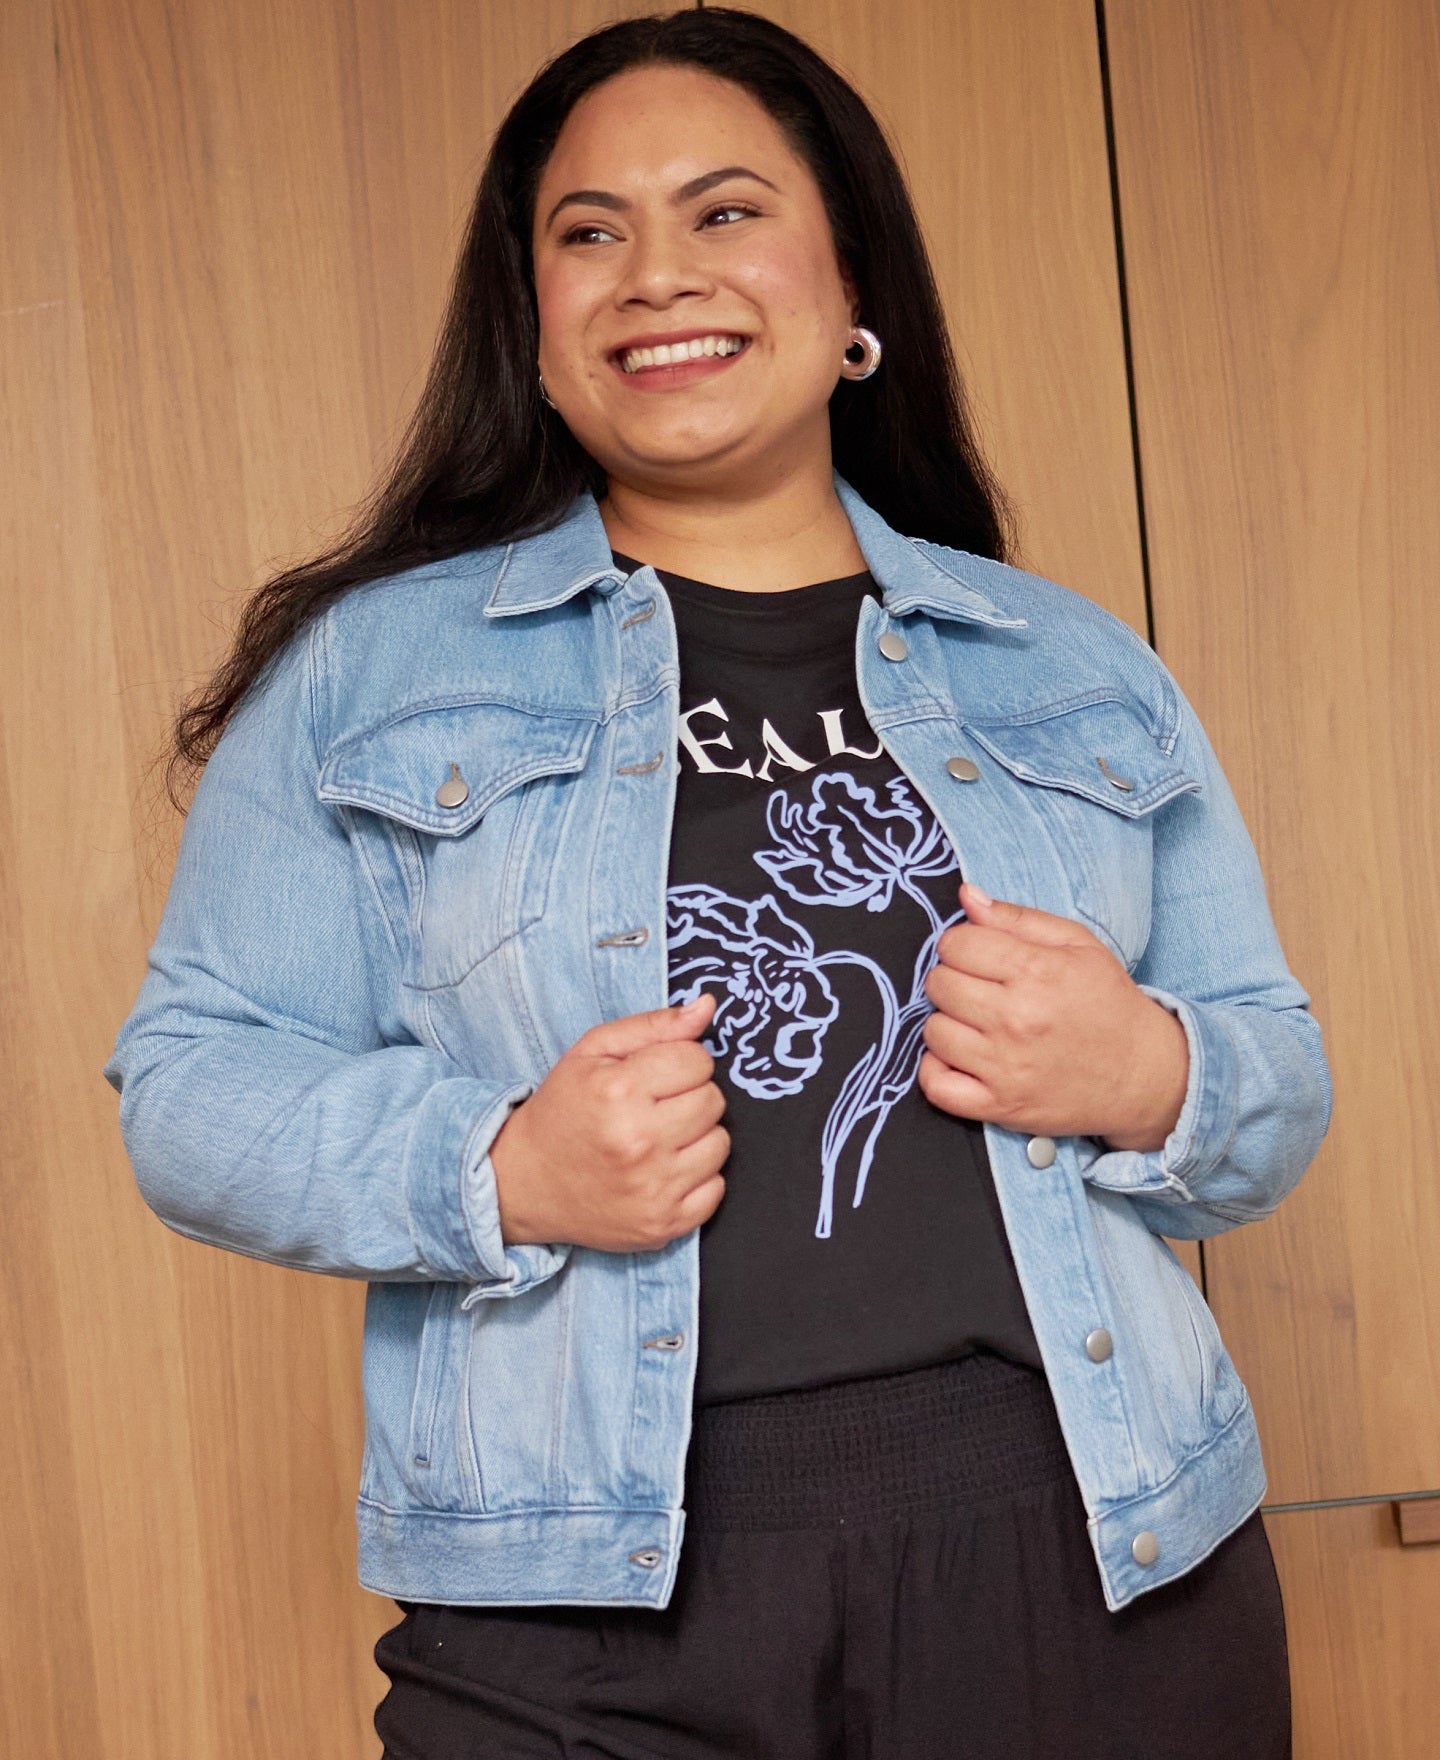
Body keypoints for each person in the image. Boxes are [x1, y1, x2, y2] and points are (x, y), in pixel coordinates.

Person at [104, 9, 1331, 1756]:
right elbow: (189, 1089)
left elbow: (1273, 1070)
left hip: (1096, 1563)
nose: (656, 274)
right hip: (581, 1599)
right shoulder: (369, 677)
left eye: (727, 211)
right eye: (589, 232)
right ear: (534, 328)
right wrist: (500, 1166)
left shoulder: (1069, 666)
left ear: (852, 291)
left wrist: (1153, 1071)